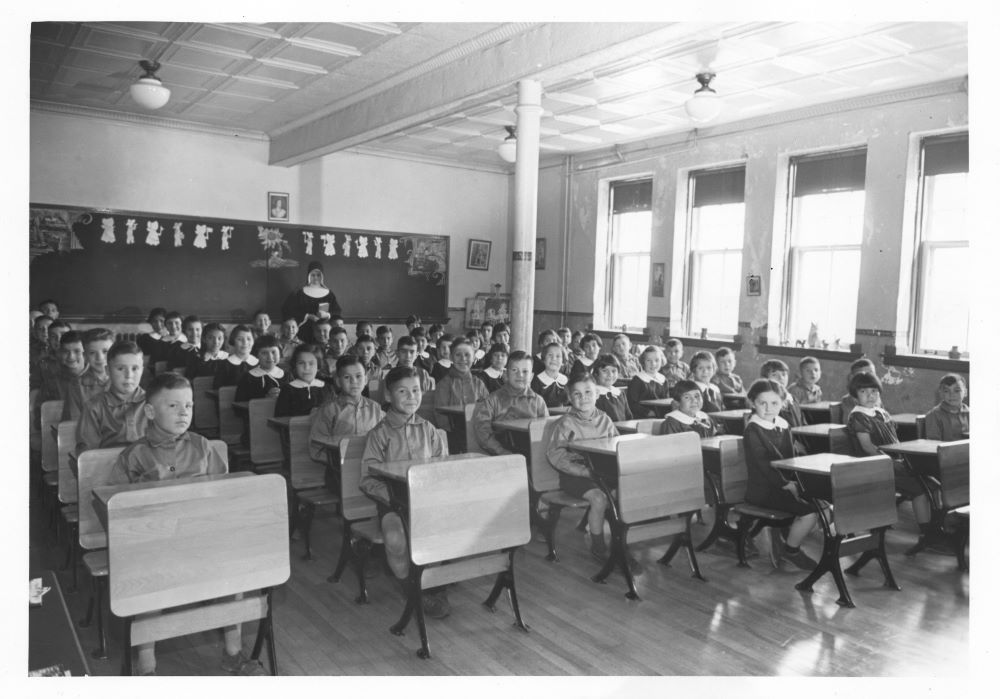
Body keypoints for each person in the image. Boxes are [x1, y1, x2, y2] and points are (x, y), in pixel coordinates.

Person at [109, 373, 262, 676]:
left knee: (235, 571)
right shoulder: (135, 455)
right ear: (150, 412)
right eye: (174, 405)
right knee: (147, 579)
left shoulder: (203, 446)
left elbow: (225, 493)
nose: (184, 413)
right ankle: (147, 665)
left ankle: (233, 653)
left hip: (202, 540)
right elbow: (116, 509)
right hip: (155, 546)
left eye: (189, 406)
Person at [359, 366, 450, 619]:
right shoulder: (379, 434)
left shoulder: (430, 430)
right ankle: (410, 586)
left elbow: (443, 469)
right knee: (396, 539)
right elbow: (367, 479)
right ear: (388, 396)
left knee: (445, 530)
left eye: (416, 390)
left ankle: (432, 584)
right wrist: (396, 500)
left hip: (427, 501)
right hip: (393, 503)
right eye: (403, 391)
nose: (411, 396)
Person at [545, 374, 638, 570]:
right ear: (569, 398)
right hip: (575, 476)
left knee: (623, 494)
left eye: (588, 392)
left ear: (597, 394)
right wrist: (583, 471)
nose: (583, 397)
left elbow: (616, 445)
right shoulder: (566, 423)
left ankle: (620, 544)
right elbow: (556, 455)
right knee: (599, 498)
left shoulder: (604, 419)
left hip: (602, 473)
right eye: (577, 394)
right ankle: (598, 546)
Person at [844, 372, 932, 553]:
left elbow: (894, 440)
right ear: (855, 395)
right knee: (921, 488)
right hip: (873, 466)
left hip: (890, 461)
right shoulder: (859, 416)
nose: (870, 395)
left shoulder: (880, 412)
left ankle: (934, 530)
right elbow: (867, 447)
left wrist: (903, 456)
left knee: (930, 478)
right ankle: (927, 534)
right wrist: (892, 460)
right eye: (864, 392)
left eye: (874, 391)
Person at [742, 378, 820, 570]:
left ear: (783, 403)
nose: (769, 408)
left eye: (775, 403)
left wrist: (796, 481)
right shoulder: (753, 430)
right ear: (752, 403)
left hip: (784, 484)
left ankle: (787, 539)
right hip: (763, 489)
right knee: (810, 512)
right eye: (762, 403)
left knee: (823, 504)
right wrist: (786, 484)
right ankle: (791, 550)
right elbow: (763, 465)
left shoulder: (783, 425)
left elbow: (790, 458)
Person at [76, 340, 148, 453]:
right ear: (107, 371)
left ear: (142, 370)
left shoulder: (153, 402)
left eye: (135, 368)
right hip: (108, 467)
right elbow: (87, 454)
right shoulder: (94, 407)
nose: (128, 375)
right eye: (120, 369)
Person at [308, 355, 384, 461]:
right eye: (347, 377)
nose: (354, 381)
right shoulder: (329, 410)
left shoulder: (375, 408)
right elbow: (316, 445)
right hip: (338, 469)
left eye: (358, 376)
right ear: (338, 381)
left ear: (366, 379)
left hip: (370, 467)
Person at [472, 350, 548, 455]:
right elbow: (483, 431)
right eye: (514, 370)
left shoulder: (538, 401)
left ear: (531, 376)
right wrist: (501, 451)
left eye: (525, 371)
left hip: (532, 454)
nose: (520, 375)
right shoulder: (493, 400)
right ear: (506, 373)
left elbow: (546, 431)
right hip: (502, 454)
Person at [432, 338, 489, 434]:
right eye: (458, 355)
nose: (463, 359)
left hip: (479, 434)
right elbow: (441, 416)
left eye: (467, 355)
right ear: (451, 357)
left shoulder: (479, 384)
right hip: (454, 435)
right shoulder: (444, 384)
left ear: (474, 357)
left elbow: (488, 410)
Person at [281, 261, 342, 344]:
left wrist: (327, 315)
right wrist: (307, 316)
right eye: (313, 275)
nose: (316, 278)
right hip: (304, 331)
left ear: (322, 276)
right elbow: (290, 311)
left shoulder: (329, 293)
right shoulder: (300, 293)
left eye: (318, 275)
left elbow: (337, 311)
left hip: (323, 333)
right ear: (309, 276)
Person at [67, 328, 115, 419]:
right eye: (92, 353)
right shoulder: (76, 386)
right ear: (85, 356)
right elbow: (74, 423)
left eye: (105, 352)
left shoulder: (125, 379)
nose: (100, 358)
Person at [43, 330, 88, 420]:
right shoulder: (51, 383)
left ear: (86, 354)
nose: (71, 357)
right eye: (66, 351)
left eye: (77, 351)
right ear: (60, 353)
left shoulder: (100, 380)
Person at [275, 344, 329, 418]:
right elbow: (280, 418)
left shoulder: (327, 388)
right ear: (294, 366)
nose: (306, 368)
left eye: (311, 363)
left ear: (318, 366)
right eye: (301, 363)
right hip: (295, 428)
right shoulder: (288, 390)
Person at [234, 335, 285, 402]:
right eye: (264, 353)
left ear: (280, 353)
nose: (270, 357)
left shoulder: (287, 375)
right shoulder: (247, 378)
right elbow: (240, 404)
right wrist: (265, 400)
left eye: (273, 352)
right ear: (257, 355)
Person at [626, 346, 669, 418]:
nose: (653, 364)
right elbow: (632, 403)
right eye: (648, 360)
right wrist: (647, 412)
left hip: (661, 417)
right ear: (643, 362)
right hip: (642, 417)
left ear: (662, 361)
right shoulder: (638, 380)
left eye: (657, 360)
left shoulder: (663, 380)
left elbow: (666, 402)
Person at [924, 374, 969, 441]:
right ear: (941, 393)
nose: (951, 395)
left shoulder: (970, 412)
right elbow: (933, 444)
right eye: (946, 391)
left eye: (957, 391)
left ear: (965, 392)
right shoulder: (934, 415)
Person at [591, 354, 631, 422]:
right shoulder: (594, 395)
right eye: (605, 371)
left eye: (613, 371)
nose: (610, 375)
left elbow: (629, 416)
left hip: (623, 430)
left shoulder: (619, 393)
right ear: (596, 373)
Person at [530, 341, 570, 408]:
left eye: (558, 356)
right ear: (544, 359)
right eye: (550, 355)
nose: (554, 359)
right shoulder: (536, 381)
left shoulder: (566, 380)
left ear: (563, 361)